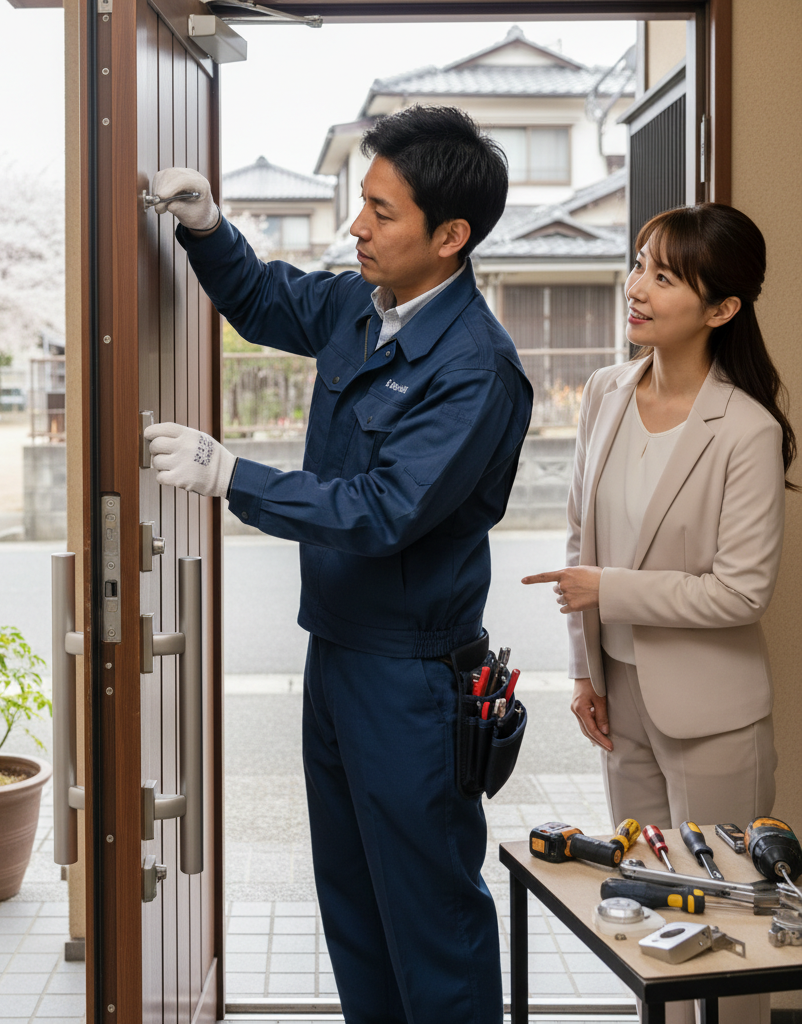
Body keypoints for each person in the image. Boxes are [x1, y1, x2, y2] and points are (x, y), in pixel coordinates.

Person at [143, 105, 532, 1024]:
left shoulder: (475, 368)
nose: (356, 226)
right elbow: (269, 298)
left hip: (412, 679)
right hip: (339, 655)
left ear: (451, 237)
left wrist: (233, 475)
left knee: (432, 917)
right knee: (352, 905)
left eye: (381, 211)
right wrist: (207, 228)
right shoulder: (365, 306)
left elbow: (385, 508)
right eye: (361, 202)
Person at [523, 203, 794, 1024]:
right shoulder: (606, 390)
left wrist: (609, 589)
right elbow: (580, 540)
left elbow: (742, 591)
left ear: (721, 309)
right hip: (623, 697)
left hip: (712, 715)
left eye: (663, 276)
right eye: (639, 264)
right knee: (649, 919)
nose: (635, 288)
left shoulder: (747, 430)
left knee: (726, 927)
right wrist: (584, 669)